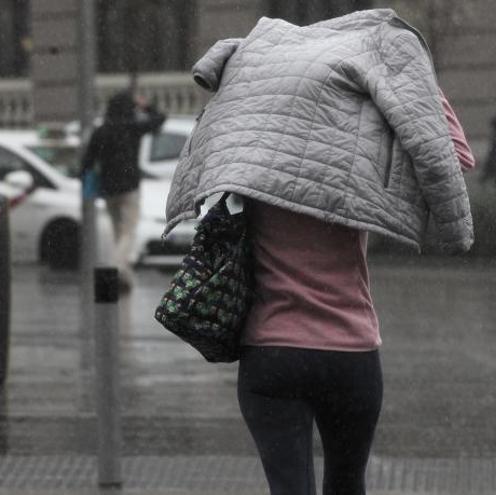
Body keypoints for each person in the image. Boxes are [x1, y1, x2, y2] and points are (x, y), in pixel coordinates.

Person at [164, 9, 473, 495]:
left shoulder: (249, 155)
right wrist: (413, 82)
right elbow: (454, 154)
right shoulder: (355, 162)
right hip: (350, 354)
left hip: (271, 354)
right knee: (348, 485)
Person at [81, 90, 165, 290]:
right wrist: (145, 106)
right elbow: (160, 118)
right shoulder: (133, 127)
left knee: (117, 231)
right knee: (128, 232)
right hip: (129, 187)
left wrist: (87, 182)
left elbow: (87, 161)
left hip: (108, 188)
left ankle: (123, 278)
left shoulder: (101, 131)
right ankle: (115, 268)